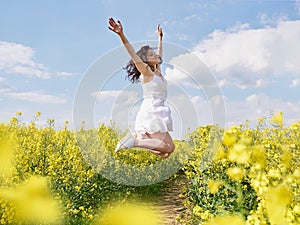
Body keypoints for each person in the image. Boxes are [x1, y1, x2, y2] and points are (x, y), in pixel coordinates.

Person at [108, 17, 175, 158]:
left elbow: (160, 56)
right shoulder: (147, 73)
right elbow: (132, 53)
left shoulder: (158, 71)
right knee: (169, 147)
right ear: (145, 61)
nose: (156, 55)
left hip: (159, 109)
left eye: (154, 53)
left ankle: (140, 140)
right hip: (152, 110)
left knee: (164, 153)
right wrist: (121, 35)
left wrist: (160, 38)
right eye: (151, 55)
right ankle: (135, 141)